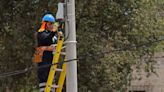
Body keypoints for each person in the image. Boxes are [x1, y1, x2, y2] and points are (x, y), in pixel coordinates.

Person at [34, 13, 60, 92]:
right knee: (44, 84)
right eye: (50, 23)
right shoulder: (41, 33)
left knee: (52, 83)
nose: (52, 25)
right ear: (45, 24)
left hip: (52, 63)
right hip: (43, 64)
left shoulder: (54, 36)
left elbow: (55, 45)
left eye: (53, 24)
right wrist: (53, 31)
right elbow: (46, 39)